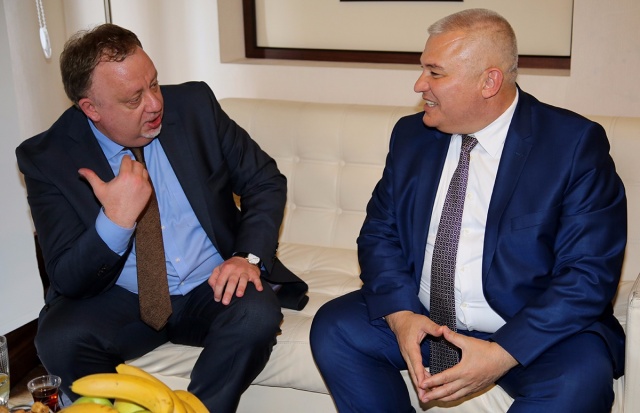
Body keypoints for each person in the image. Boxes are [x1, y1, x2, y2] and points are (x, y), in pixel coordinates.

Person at [310, 8, 626, 413]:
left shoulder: (572, 145)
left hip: (531, 327)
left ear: (489, 82)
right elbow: (379, 234)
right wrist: (401, 316)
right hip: (426, 318)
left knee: (578, 381)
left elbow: (588, 273)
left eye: (435, 73)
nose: (420, 84)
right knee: (336, 328)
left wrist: (503, 352)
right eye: (423, 68)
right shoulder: (412, 136)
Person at [16, 23, 307, 412]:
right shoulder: (47, 157)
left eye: (153, 84)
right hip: (122, 297)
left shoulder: (195, 107)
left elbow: (264, 181)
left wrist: (246, 257)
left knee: (255, 313)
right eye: (134, 98)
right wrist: (116, 221)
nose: (154, 104)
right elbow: (68, 276)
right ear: (91, 109)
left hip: (211, 283)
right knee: (59, 338)